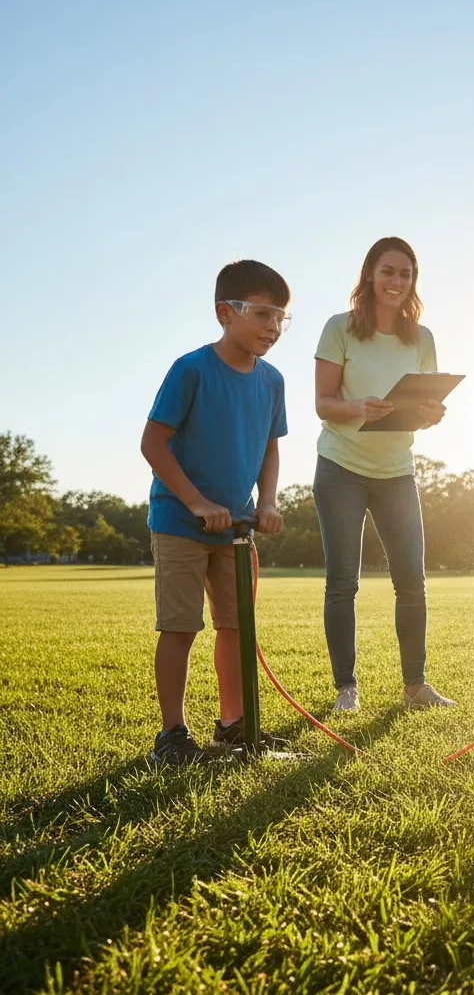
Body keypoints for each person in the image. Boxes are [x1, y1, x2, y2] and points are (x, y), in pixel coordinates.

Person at [141, 259, 290, 764]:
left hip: (237, 528)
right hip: (181, 522)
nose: (273, 327)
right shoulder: (191, 370)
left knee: (235, 626)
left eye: (281, 318)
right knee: (180, 627)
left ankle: (232, 725)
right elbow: (154, 443)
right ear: (226, 313)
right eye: (264, 314)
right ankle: (172, 734)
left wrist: (266, 502)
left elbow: (270, 448)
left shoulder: (272, 381)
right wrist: (197, 502)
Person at [313, 237, 451, 712]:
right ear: (370, 273)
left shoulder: (422, 338)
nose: (397, 281)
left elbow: (420, 406)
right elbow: (323, 404)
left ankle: (416, 686)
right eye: (388, 271)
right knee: (342, 582)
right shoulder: (340, 329)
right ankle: (346, 688)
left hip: (397, 471)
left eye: (406, 274)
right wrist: (359, 407)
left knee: (412, 579)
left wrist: (431, 413)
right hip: (341, 469)